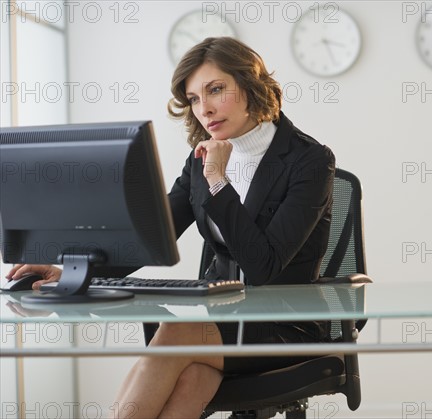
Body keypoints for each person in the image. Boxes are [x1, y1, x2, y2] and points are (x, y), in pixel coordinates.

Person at [5, 37, 335, 418]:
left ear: (251, 86)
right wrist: (69, 270)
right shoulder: (199, 162)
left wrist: (218, 181)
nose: (204, 108)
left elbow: (263, 266)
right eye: (194, 99)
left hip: (286, 328)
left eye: (216, 90)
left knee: (176, 333)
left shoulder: (308, 160)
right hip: (222, 326)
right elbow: (148, 240)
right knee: (192, 379)